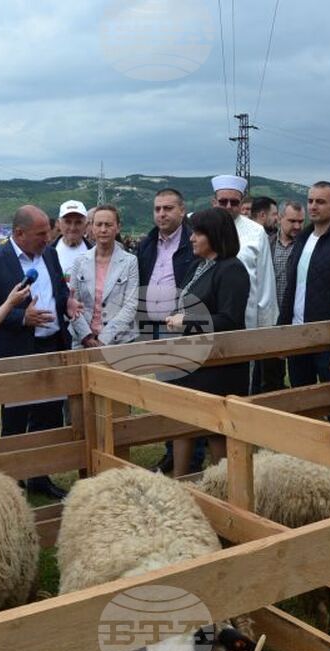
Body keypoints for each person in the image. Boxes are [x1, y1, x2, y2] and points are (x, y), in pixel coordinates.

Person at [0, 206, 71, 500]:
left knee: (48, 417)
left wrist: (68, 303)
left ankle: (39, 477)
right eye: (41, 234)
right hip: (16, 350)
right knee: (15, 419)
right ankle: (11, 481)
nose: (48, 238)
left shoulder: (49, 254)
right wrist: (20, 318)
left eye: (48, 232)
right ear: (19, 233)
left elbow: (57, 292)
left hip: (51, 346)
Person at [164, 208, 250, 477]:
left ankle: (222, 488)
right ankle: (179, 484)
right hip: (192, 361)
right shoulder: (198, 265)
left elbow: (229, 318)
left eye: (198, 233)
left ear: (215, 235)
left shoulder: (232, 270)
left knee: (215, 432)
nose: (191, 238)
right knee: (182, 423)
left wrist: (186, 320)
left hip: (219, 367)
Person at [278, 181, 330, 386]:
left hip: (328, 340)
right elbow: (292, 288)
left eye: (321, 201)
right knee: (300, 397)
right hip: (298, 334)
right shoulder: (303, 238)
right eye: (310, 201)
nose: (313, 206)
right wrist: (282, 329)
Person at [136, 188, 197, 474]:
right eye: (158, 208)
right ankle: (172, 452)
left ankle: (191, 457)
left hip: (181, 328)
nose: (162, 214)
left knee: (186, 393)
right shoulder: (148, 243)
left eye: (168, 208)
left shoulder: (191, 241)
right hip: (155, 327)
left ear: (182, 211)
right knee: (166, 394)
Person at [210, 175, 277, 332]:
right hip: (209, 319)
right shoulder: (203, 230)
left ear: (241, 204)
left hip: (246, 318)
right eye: (223, 201)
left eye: (234, 202)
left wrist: (265, 329)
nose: (228, 206)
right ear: (214, 202)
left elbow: (265, 284)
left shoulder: (257, 232)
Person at [67, 205, 138, 349]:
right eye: (99, 224)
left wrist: (104, 338)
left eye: (108, 225)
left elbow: (130, 305)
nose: (103, 230)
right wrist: (86, 336)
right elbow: (72, 303)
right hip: (82, 341)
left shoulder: (130, 261)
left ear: (118, 227)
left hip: (119, 341)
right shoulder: (79, 262)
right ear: (91, 227)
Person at [257, 201, 304, 394]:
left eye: (301, 221)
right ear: (280, 218)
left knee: (298, 370)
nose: (297, 226)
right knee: (270, 370)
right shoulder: (267, 244)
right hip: (270, 314)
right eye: (292, 221)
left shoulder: (305, 246)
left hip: (295, 315)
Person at [53, 200, 93, 275]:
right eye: (68, 222)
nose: (72, 228)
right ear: (58, 224)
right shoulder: (47, 253)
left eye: (78, 222)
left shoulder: (95, 252)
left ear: (86, 225)